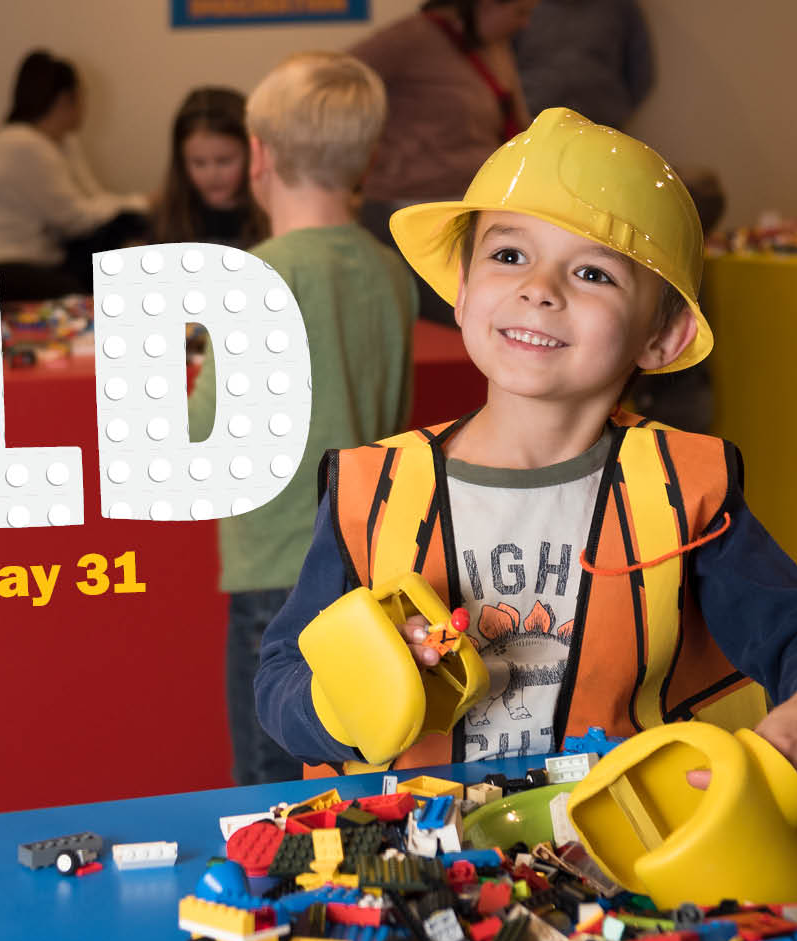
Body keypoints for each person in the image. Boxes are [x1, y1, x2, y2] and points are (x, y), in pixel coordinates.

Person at [254, 108, 797, 804]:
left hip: (615, 854)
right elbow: (280, 678)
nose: (540, 288)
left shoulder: (680, 492)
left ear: (663, 336)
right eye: (508, 255)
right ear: (461, 291)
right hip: (418, 850)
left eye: (591, 273)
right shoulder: (371, 490)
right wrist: (346, 702)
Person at [187, 52, 418, 787]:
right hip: (364, 558)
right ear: (367, 157)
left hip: (274, 570)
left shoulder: (257, 276)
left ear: (258, 154)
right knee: (350, 765)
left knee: (270, 776)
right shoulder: (388, 269)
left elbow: (203, 433)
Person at [348, 0, 539, 324]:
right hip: (410, 203)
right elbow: (338, 76)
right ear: (484, 6)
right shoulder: (413, 37)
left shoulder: (493, 46)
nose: (526, 24)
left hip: (476, 200)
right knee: (462, 313)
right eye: (519, 12)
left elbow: (516, 119)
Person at [0, 50, 149, 301]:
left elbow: (93, 198)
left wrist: (134, 207)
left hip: (22, 258)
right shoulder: (23, 145)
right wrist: (144, 203)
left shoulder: (61, 142)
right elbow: (75, 218)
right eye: (83, 96)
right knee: (89, 274)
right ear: (66, 99)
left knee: (120, 228)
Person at [150, 86, 266, 249]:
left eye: (224, 161)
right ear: (181, 161)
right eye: (199, 162)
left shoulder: (269, 215)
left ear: (251, 154)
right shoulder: (167, 218)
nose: (212, 175)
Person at [514, 0, 653, 130]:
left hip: (601, 123)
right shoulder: (522, 6)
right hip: (533, 122)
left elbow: (640, 72)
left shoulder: (621, 7)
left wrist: (615, 110)